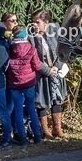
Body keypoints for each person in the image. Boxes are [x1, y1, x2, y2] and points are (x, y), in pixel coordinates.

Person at [6, 28, 55, 144]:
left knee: (18, 110)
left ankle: (22, 138)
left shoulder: (10, 49)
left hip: (14, 84)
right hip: (29, 83)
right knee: (31, 109)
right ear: (25, 36)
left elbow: (6, 66)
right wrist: (48, 71)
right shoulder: (31, 48)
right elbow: (37, 66)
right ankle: (37, 136)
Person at [29, 10, 67, 140]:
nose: (34, 24)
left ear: (46, 22)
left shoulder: (55, 32)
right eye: (33, 21)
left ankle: (57, 128)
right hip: (41, 74)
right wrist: (47, 70)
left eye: (37, 22)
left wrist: (56, 67)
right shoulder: (32, 37)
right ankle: (45, 131)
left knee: (57, 99)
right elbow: (34, 59)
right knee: (42, 102)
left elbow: (62, 52)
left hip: (56, 72)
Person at [0, 22, 12, 147]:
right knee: (3, 111)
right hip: (0, 81)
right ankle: (7, 138)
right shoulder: (6, 46)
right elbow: (7, 66)